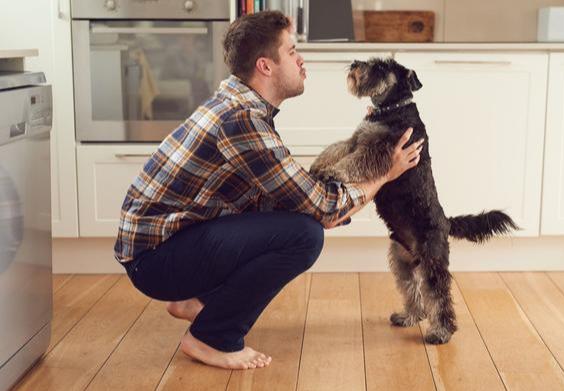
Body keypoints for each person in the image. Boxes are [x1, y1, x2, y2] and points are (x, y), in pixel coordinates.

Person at [113, 11, 423, 371]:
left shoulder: (243, 106)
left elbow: (290, 194)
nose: (301, 59)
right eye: (292, 51)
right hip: (154, 261)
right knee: (305, 235)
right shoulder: (242, 120)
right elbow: (321, 207)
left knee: (298, 218)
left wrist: (322, 209)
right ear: (265, 66)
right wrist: (385, 173)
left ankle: (195, 300)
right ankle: (212, 337)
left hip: (166, 244)